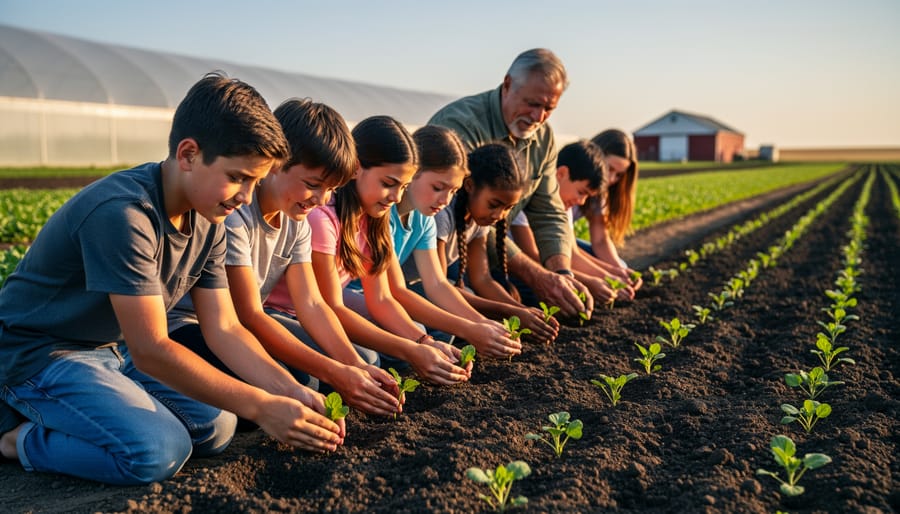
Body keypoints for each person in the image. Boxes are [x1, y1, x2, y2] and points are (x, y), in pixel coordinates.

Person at [0, 73, 342, 486]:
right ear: (188, 154)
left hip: (112, 350)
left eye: (255, 180)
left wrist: (290, 393)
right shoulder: (124, 214)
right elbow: (151, 349)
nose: (246, 197)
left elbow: (226, 327)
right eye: (237, 177)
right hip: (41, 353)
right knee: (158, 451)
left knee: (216, 428)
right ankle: (15, 438)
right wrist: (262, 407)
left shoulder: (211, 218)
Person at [166, 98, 400, 418]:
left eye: (331, 189)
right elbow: (249, 315)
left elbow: (313, 305)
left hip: (237, 326)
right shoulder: (236, 217)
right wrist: (334, 372)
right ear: (276, 163)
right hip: (193, 325)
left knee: (350, 368)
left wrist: (354, 366)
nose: (321, 200)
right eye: (313, 185)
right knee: (305, 384)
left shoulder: (296, 221)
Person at [266, 115, 471, 385]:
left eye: (404, 187)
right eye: (388, 183)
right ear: (357, 169)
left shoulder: (375, 220)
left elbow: (382, 299)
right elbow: (330, 306)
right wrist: (410, 348)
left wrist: (425, 342)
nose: (397, 197)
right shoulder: (322, 218)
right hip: (283, 311)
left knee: (394, 348)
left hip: (312, 314)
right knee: (364, 362)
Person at [428, 48, 594, 319]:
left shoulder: (544, 138)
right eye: (532, 103)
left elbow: (548, 212)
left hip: (484, 255)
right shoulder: (461, 125)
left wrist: (562, 275)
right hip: (445, 257)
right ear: (507, 85)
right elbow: (468, 216)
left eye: (549, 108)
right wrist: (534, 280)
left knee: (542, 302)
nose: (539, 117)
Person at [386, 125, 521, 359]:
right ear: (412, 171)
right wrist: (469, 329)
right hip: (366, 300)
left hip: (382, 300)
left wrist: (482, 324)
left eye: (453, 191)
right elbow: (393, 291)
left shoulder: (423, 218)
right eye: (438, 188)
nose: (445, 200)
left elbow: (437, 284)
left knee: (441, 323)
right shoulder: (384, 216)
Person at [435, 143, 559, 344]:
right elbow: (437, 289)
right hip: (416, 288)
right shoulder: (442, 213)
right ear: (469, 185)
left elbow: (482, 279)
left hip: (435, 288)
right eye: (493, 205)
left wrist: (522, 311)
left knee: (471, 294)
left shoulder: (478, 220)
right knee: (447, 328)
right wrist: (509, 312)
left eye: (507, 208)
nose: (498, 215)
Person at [509, 140, 632, 303]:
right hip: (516, 267)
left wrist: (612, 276)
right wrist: (586, 281)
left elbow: (572, 252)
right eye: (581, 192)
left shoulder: (563, 206)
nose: (582, 202)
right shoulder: (531, 196)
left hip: (544, 266)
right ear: (561, 174)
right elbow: (532, 256)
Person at [583, 129, 643, 297]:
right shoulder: (569, 180)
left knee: (621, 266)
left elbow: (600, 239)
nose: (611, 179)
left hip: (564, 243)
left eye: (619, 175)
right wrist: (606, 275)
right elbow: (564, 248)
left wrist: (620, 273)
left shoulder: (599, 194)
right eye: (609, 169)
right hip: (546, 245)